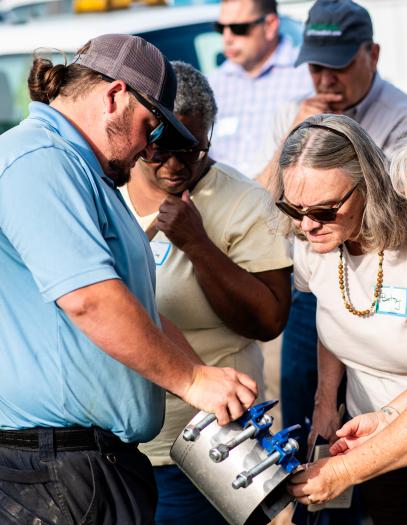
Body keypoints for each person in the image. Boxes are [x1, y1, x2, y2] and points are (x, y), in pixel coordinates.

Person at [0, 34, 258, 525]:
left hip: (85, 468)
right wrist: (191, 379)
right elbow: (89, 302)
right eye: (151, 126)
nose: (149, 147)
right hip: (52, 469)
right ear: (115, 95)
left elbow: (134, 308)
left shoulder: (81, 168)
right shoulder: (40, 160)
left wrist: (205, 384)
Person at [257, 0, 407, 469]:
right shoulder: (294, 113)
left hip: (386, 281)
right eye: (316, 67)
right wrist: (297, 136)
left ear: (372, 54)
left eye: (339, 66)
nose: (326, 80)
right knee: (307, 416)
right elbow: (260, 200)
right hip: (323, 278)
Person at [121, 61, 292, 525]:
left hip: (208, 445)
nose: (176, 165)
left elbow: (269, 320)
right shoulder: (105, 193)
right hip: (117, 446)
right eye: (161, 148)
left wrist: (198, 244)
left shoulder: (241, 201)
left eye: (192, 149)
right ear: (141, 133)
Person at [273, 113, 407, 524]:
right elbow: (335, 318)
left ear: (368, 188)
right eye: (294, 207)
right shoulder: (312, 243)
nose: (307, 225)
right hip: (370, 433)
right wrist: (327, 400)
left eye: (324, 210)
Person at [208, 0, 312, 177]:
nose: (227, 38)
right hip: (220, 200)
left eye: (238, 28)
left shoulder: (307, 75)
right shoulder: (213, 84)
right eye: (220, 28)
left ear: (270, 25)